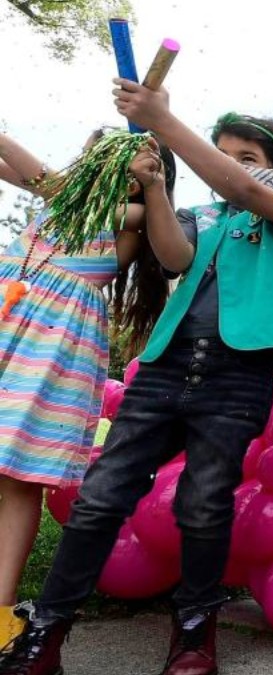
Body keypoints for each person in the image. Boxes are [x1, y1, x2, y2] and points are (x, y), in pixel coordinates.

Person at [0, 78, 273, 675]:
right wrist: (152, 185)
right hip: (163, 367)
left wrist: (162, 121)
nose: (230, 168)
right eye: (223, 154)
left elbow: (237, 188)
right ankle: (46, 634)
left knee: (203, 502)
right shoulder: (201, 214)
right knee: (100, 498)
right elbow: (174, 256)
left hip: (236, 375)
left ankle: (195, 630)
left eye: (247, 158)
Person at [0, 128, 173, 644]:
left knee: (18, 477)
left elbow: (44, 179)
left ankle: (1, 609)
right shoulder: (58, 196)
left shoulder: (131, 218)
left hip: (49, 353)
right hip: (11, 324)